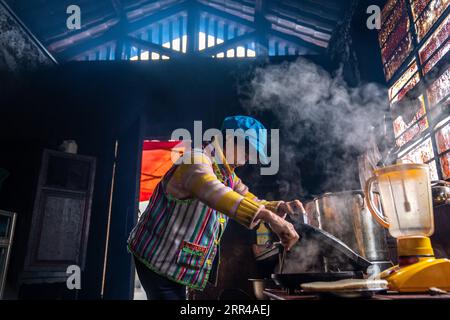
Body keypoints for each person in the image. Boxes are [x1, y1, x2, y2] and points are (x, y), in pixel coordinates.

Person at [127, 116, 303, 300]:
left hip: (174, 262)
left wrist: (278, 207)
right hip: (157, 256)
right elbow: (216, 192)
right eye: (247, 151)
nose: (246, 161)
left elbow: (248, 198)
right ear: (228, 139)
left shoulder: (227, 175)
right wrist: (269, 218)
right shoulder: (196, 160)